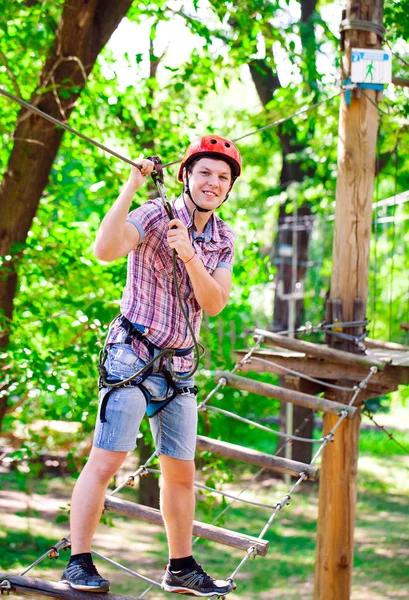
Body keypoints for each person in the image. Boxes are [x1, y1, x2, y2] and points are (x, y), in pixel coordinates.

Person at [60, 136, 242, 597]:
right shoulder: (156, 215)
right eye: (204, 172)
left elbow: (215, 303)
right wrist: (131, 185)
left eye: (222, 177)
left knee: (181, 472)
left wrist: (189, 255)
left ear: (228, 188)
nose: (212, 183)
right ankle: (78, 561)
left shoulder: (223, 238)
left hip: (179, 366)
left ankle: (180, 566)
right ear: (186, 175)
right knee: (108, 459)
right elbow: (106, 249)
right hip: (133, 354)